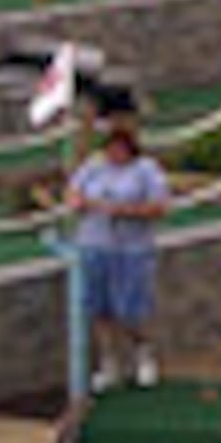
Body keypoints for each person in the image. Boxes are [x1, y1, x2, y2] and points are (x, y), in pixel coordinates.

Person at [68, 114, 172, 393]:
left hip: (132, 249)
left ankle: (143, 355)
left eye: (120, 148)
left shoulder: (146, 170)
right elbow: (74, 195)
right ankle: (108, 363)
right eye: (110, 148)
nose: (114, 154)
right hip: (95, 245)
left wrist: (123, 211)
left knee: (130, 310)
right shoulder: (93, 166)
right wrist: (81, 204)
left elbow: (159, 207)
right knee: (100, 309)